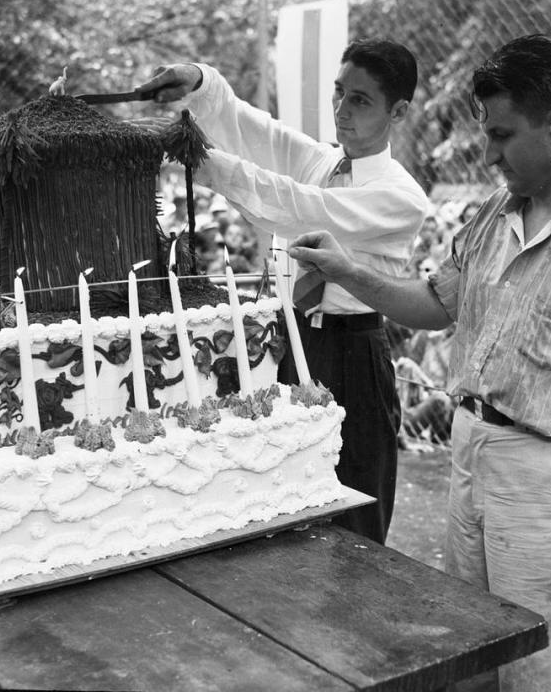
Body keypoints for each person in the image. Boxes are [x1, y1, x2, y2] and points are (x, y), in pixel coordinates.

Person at [287, 34, 551, 691]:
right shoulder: (497, 212)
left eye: (502, 136)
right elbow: (436, 302)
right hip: (470, 455)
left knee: (542, 673)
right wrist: (345, 269)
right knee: (470, 655)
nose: (490, 154)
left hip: (550, 481)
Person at [132, 39, 430, 543]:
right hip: (293, 345)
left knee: (355, 505)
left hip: (352, 352)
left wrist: (201, 159)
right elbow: (256, 129)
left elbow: (302, 208)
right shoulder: (320, 161)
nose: (341, 111)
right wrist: (201, 81)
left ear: (398, 111)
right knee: (285, 501)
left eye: (360, 100)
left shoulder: (402, 199)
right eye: (339, 93)